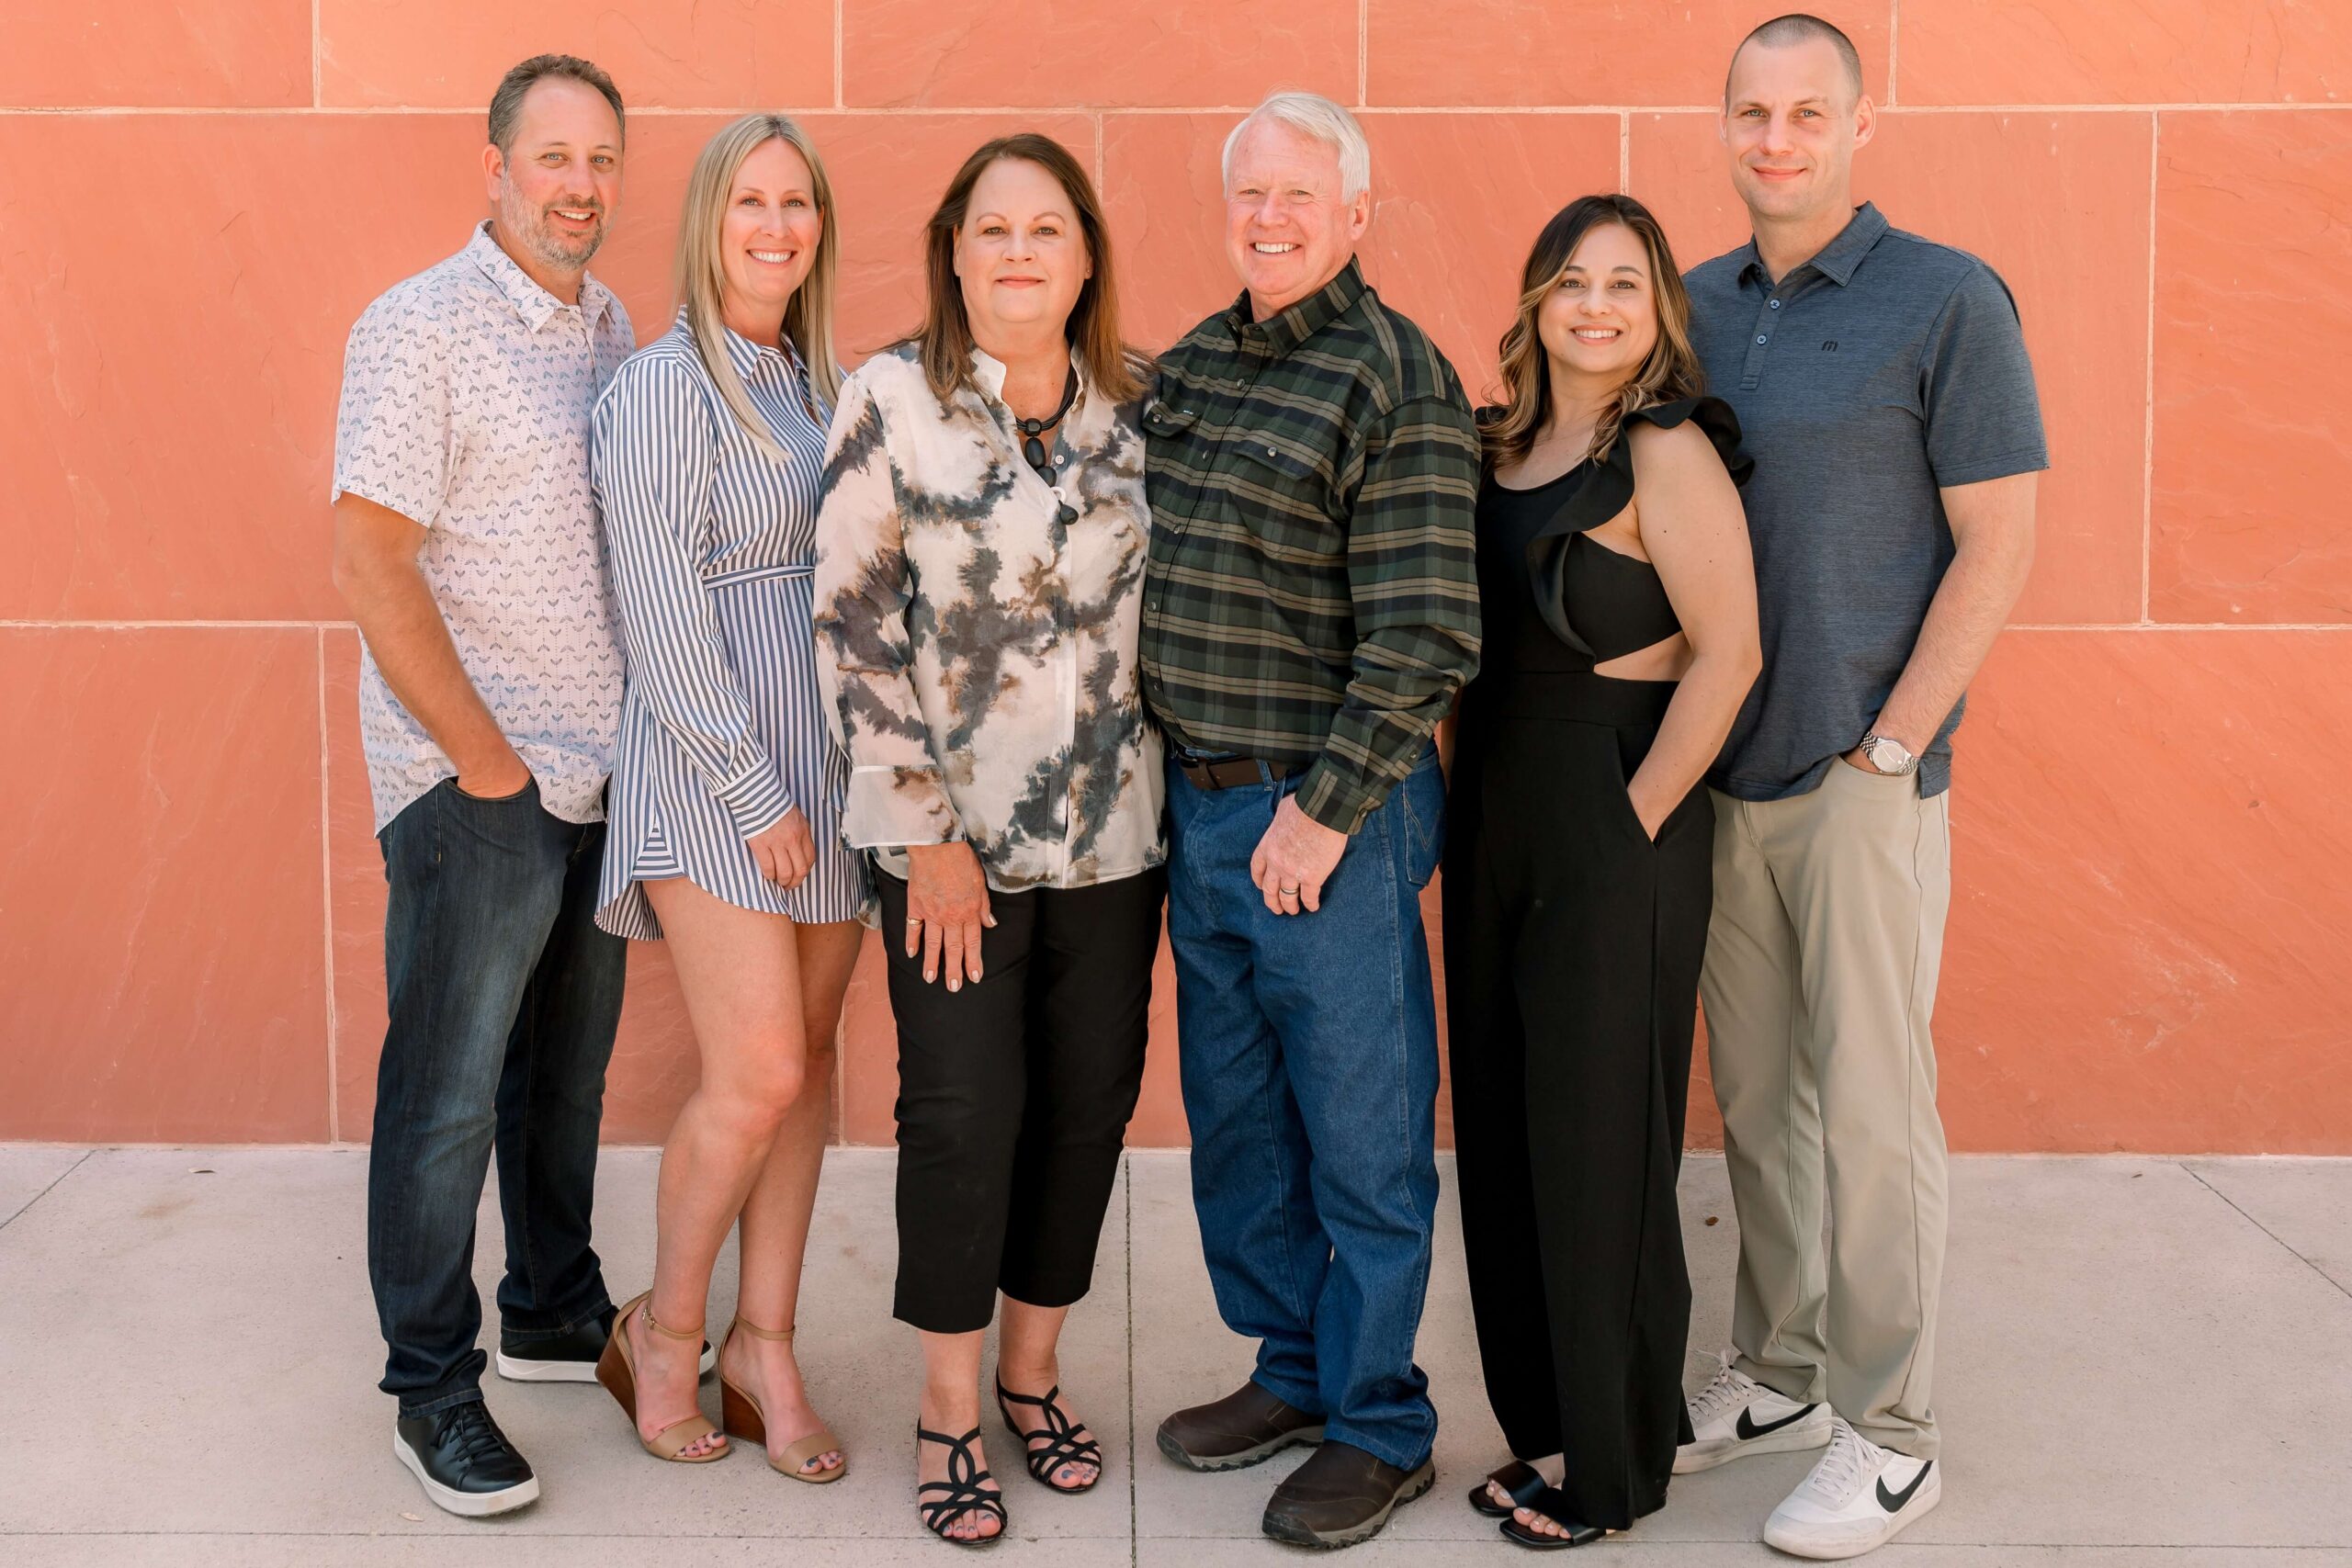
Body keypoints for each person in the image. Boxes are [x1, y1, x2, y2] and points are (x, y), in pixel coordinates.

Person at [1677, 16, 2045, 1561]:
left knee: (1878, 1119)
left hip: (1858, 774)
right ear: (1726, 125)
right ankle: (1782, 1372)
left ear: (1859, 123)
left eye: (1806, 112)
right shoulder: (1690, 306)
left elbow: (2002, 540)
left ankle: (1893, 1435)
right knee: (1760, 1105)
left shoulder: (1946, 299)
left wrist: (1893, 747)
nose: (1778, 139)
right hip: (1723, 778)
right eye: (1753, 113)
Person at [813, 132, 1165, 1548]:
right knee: (961, 1118)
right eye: (991, 229)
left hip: (1119, 846)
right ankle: (949, 1408)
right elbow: (849, 630)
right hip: (954, 857)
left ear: (1085, 258)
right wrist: (926, 839)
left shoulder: (1139, 416)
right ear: (955, 253)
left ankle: (1033, 1377)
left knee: (1085, 1113)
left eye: (1047, 230)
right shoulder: (889, 399)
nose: (1019, 251)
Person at [1141, 92, 1482, 1551]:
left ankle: (1381, 1421)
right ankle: (1288, 1371)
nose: (1271, 218)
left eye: (1300, 196)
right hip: (1199, 811)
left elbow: (1423, 632)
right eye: (1251, 195)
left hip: (1323, 816)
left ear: (1355, 214)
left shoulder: (1395, 377)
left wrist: (1324, 816)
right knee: (1239, 1123)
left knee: (1360, 1128)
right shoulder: (1198, 366)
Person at [330, 53, 635, 1518]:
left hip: (596, 782)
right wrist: (485, 760)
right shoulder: (420, 325)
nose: (578, 187)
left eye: (600, 163)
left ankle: (554, 1306)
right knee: (447, 1090)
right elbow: (369, 558)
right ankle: (429, 1387)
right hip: (474, 781)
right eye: (553, 157)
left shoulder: (610, 327)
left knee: (560, 1076)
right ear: (497, 163)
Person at [1448, 195, 1759, 1551]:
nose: (1594, 305)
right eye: (1571, 280)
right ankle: (1553, 1431)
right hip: (1492, 809)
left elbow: (1730, 655)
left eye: (1623, 283)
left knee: (1601, 1143)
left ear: (1658, 310)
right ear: (1534, 301)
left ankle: (1619, 1467)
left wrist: (1627, 822)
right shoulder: (1498, 444)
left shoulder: (1663, 450)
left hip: (1613, 810)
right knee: (1509, 1134)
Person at [586, 113, 866, 1481]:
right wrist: (755, 789)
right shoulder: (660, 389)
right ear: (708, 219)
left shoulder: (821, 383)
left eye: (797, 203)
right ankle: (664, 1328)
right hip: (714, 766)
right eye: (751, 201)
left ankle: (765, 1341)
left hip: (832, 766)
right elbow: (660, 613)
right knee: (754, 1067)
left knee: (806, 1072)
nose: (776, 226)